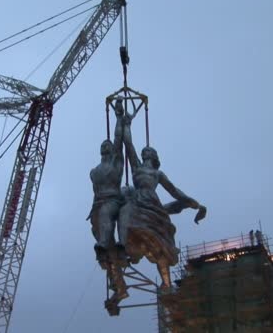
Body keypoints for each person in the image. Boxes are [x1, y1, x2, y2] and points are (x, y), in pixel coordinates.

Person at [117, 111, 206, 288]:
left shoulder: (158, 174)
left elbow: (174, 191)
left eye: (148, 151)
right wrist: (127, 124)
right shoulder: (137, 168)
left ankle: (166, 283)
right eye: (145, 151)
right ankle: (121, 246)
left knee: (160, 247)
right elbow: (129, 145)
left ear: (154, 156)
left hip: (152, 204)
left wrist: (194, 203)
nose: (145, 151)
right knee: (124, 211)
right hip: (138, 201)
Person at [87, 99, 125, 268]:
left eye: (107, 145)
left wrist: (118, 117)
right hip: (97, 204)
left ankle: (104, 244)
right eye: (103, 145)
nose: (105, 146)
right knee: (97, 228)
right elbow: (95, 191)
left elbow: (118, 138)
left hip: (113, 201)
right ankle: (112, 260)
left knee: (105, 214)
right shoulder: (94, 171)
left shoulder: (116, 163)